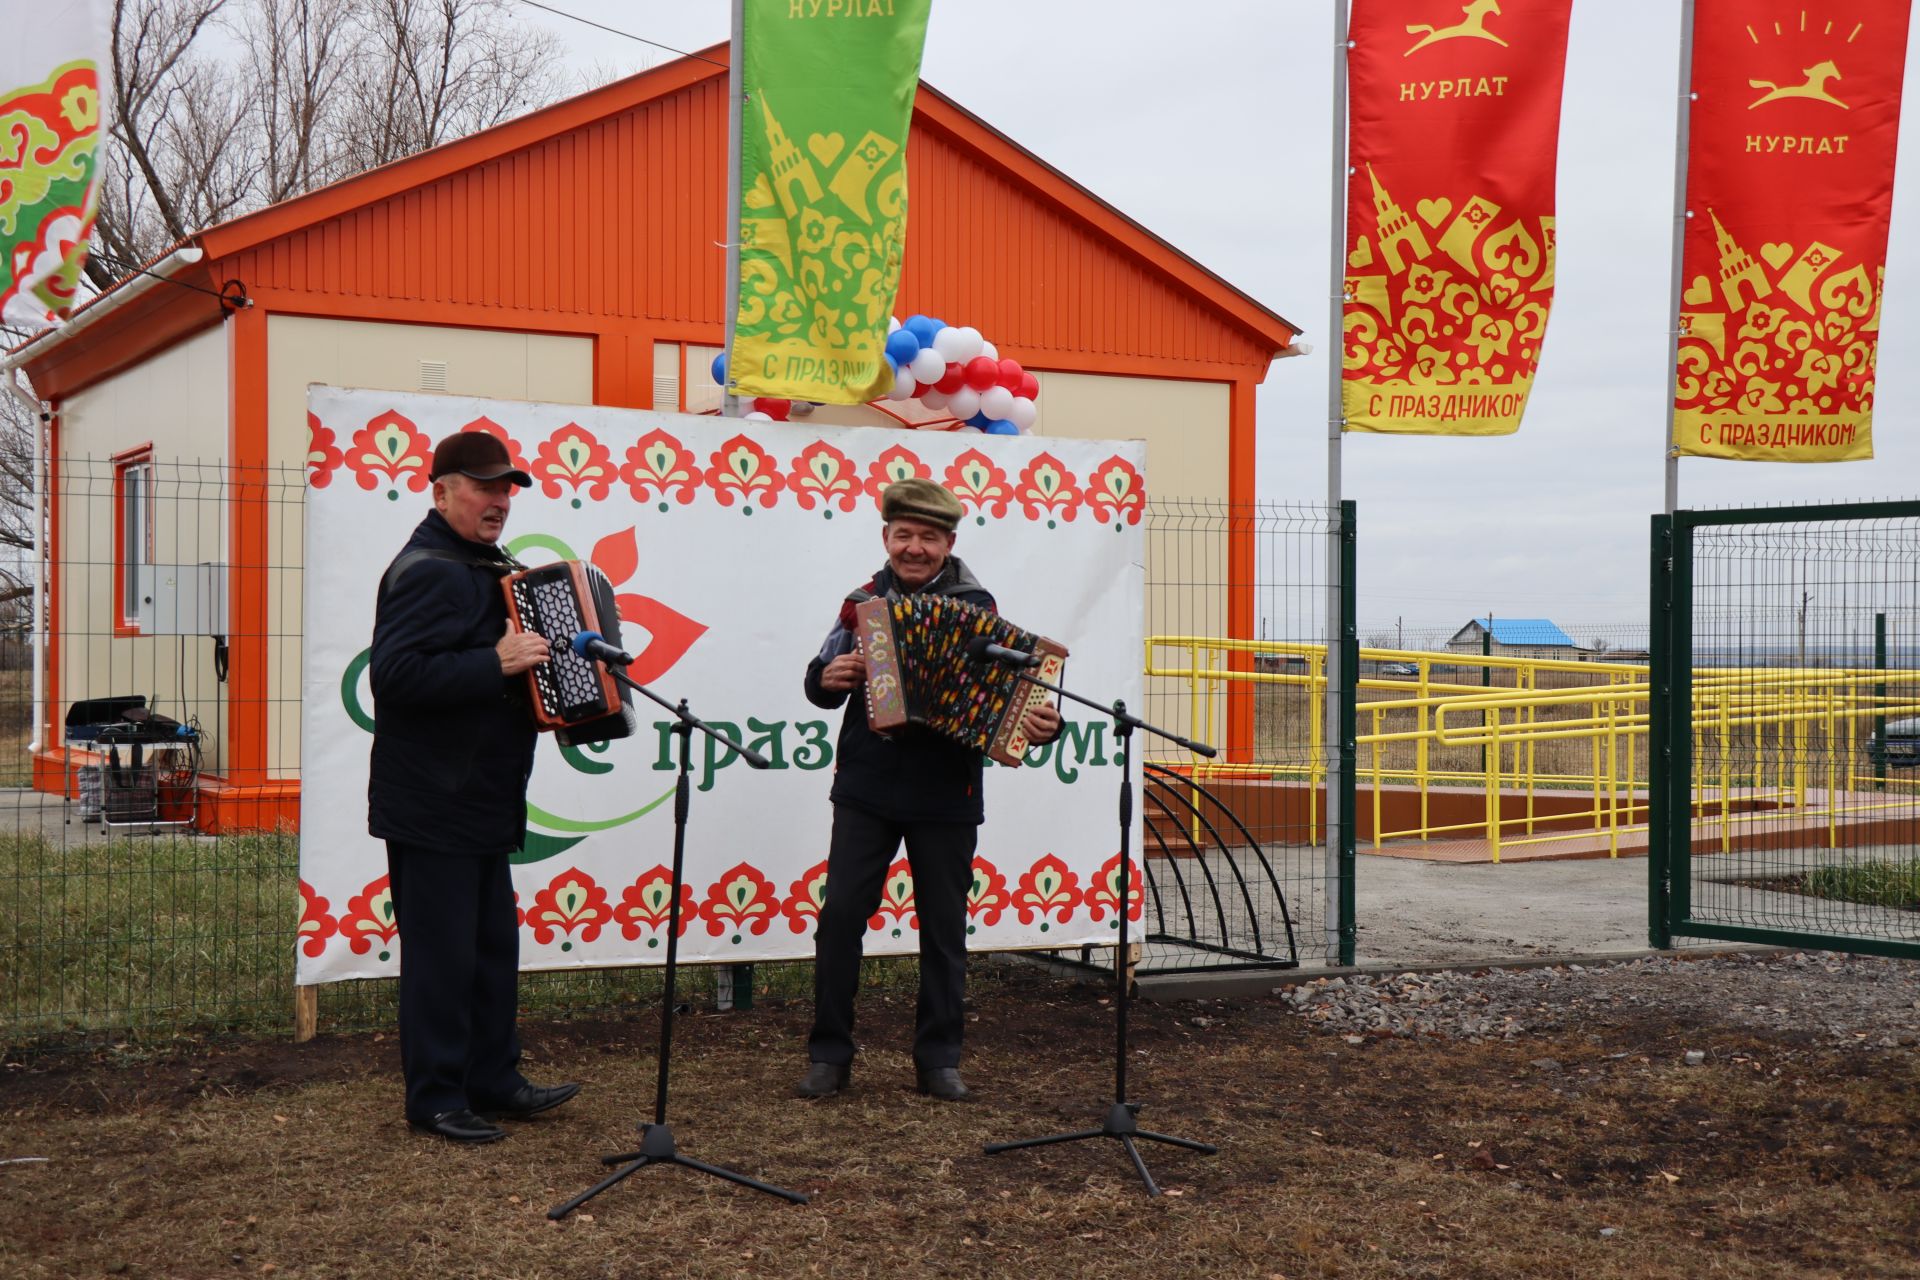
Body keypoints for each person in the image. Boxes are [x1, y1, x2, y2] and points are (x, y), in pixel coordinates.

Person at [798, 477, 1062, 1102]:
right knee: (839, 920)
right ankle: (830, 1055)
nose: (914, 548)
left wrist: (1047, 725)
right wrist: (827, 677)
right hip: (866, 785)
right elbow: (818, 678)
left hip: (948, 791)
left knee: (944, 928)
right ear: (886, 537)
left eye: (928, 538)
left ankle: (939, 1060)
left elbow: (1021, 700)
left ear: (948, 543)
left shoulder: (980, 610)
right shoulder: (859, 605)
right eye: (904, 535)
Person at [367, 432, 581, 1144]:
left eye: (506, 489)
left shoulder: (487, 566)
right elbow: (394, 679)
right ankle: (434, 1097)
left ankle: (492, 1078)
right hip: (433, 801)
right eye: (484, 487)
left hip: (483, 795)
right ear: (440, 491)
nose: (499, 501)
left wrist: (563, 695)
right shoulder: (428, 569)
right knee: (443, 958)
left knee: (491, 950)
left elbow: (504, 674)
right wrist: (493, 664)